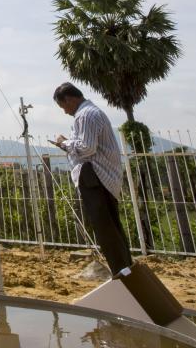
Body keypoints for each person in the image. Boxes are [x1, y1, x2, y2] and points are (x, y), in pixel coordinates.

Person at [53, 81, 132, 275]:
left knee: (105, 227)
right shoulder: (92, 112)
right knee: (111, 226)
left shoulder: (85, 115)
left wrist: (64, 143)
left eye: (63, 106)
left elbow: (87, 148)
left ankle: (121, 272)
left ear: (70, 99)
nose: (65, 111)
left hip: (94, 176)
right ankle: (127, 269)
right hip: (103, 176)